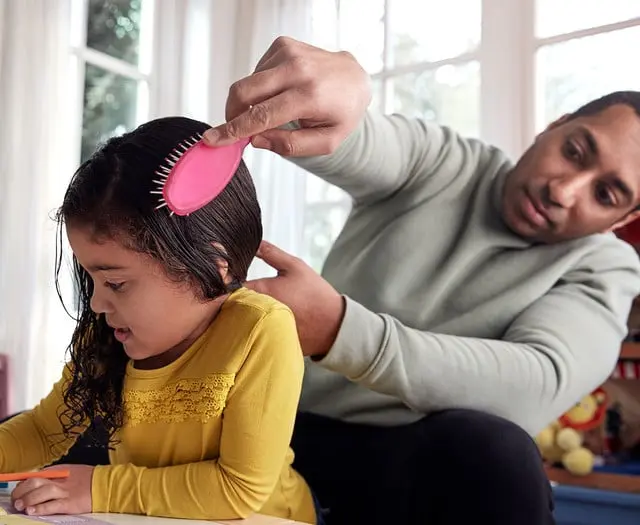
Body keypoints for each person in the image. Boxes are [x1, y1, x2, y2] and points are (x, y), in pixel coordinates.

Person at [202, 36, 640, 524]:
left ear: (621, 219)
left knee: (498, 453)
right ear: (552, 128)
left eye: (605, 194)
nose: (563, 190)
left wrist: (338, 330)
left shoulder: (604, 269)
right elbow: (358, 141)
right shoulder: (442, 162)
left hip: (409, 468)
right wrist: (326, 101)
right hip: (281, 425)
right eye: (575, 151)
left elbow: (533, 387)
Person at [0, 116, 320, 524]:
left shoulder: (260, 330)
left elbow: (238, 490)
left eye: (115, 283)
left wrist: (99, 488)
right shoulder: (107, 337)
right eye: (92, 279)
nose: (96, 303)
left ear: (213, 265)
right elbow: (44, 431)